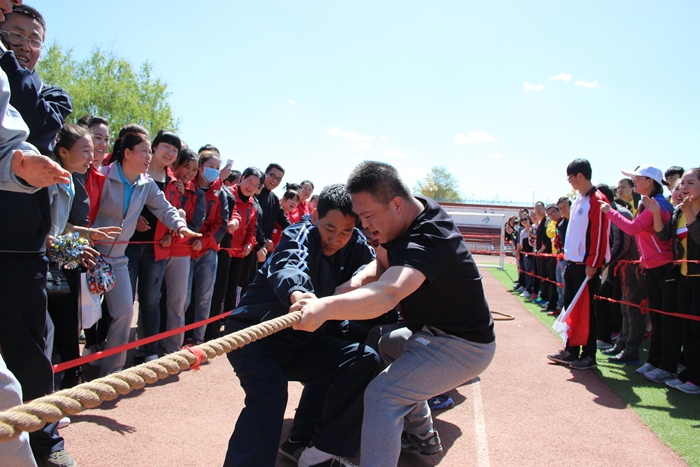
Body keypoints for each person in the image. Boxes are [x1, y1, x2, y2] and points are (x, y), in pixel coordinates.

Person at [291, 161, 495, 467]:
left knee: (383, 395)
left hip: (463, 347)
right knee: (382, 343)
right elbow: (381, 265)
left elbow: (388, 293)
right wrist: (350, 285)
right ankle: (422, 434)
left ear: (396, 204)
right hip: (429, 333)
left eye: (367, 216)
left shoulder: (430, 236)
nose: (363, 226)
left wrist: (325, 309)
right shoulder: (405, 217)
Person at [223, 184, 380, 467]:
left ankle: (317, 450)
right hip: (258, 336)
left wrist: (357, 280)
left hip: (305, 340)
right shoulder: (299, 232)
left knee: (362, 359)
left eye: (346, 231)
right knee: (269, 395)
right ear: (315, 214)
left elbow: (376, 265)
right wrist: (299, 296)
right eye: (330, 229)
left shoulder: (355, 242)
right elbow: (288, 264)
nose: (336, 239)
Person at [0, 3, 77, 465]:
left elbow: (36, 116)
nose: (25, 44)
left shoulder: (53, 95)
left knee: (30, 350)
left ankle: (47, 440)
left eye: (33, 38)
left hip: (22, 244)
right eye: (14, 34)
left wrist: (9, 60)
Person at [91, 131, 200, 376]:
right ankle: (62, 368)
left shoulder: (146, 183)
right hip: (90, 254)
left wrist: (181, 226)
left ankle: (112, 371)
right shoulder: (102, 176)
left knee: (124, 313)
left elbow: (165, 208)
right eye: (144, 150)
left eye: (149, 152)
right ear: (127, 153)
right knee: (80, 314)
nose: (148, 156)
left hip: (118, 258)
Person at [602, 164, 679, 383]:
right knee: (656, 318)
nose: (634, 182)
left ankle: (666, 365)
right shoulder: (648, 203)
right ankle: (655, 361)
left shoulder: (658, 204)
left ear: (650, 182)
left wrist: (610, 212)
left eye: (638, 179)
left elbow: (633, 228)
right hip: (652, 267)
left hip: (664, 268)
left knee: (665, 320)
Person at [547, 158, 610, 370]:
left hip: (585, 266)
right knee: (571, 309)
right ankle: (571, 350)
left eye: (570, 178)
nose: (569, 182)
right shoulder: (580, 200)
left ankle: (589, 354)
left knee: (586, 311)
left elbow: (599, 234)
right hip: (571, 263)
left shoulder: (596, 199)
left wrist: (593, 263)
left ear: (580, 176)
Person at [647, 168, 700, 394]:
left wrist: (689, 213)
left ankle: (696, 379)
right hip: (683, 276)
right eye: (681, 184)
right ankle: (688, 373)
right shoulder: (679, 211)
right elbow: (664, 236)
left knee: (697, 331)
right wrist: (657, 214)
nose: (684, 188)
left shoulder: (687, 211)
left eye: (690, 183)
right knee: (686, 328)